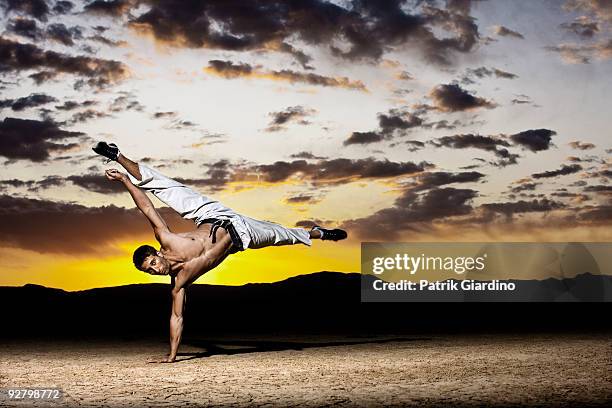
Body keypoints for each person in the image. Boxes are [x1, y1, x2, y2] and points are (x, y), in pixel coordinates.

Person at [93, 142, 347, 362]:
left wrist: (125, 180)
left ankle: (117, 155)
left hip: (212, 215)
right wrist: (172, 356)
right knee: (281, 235)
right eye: (150, 271)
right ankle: (318, 233)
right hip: (240, 236)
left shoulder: (167, 240)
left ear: (156, 253)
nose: (155, 270)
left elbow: (148, 208)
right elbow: (177, 318)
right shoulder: (179, 284)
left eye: (152, 263)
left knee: (167, 189)